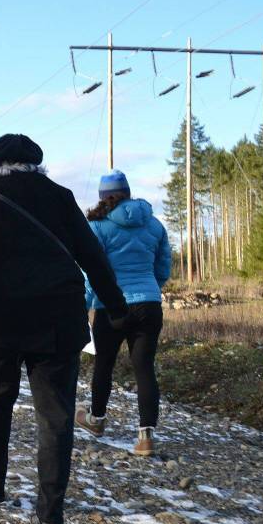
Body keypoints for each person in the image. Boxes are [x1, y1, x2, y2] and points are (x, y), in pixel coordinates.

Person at [0, 134, 128, 524]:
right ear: (35, 164)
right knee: (56, 415)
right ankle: (50, 513)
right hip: (58, 319)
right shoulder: (61, 197)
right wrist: (116, 306)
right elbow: (92, 256)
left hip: (1, 322)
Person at [77, 170, 171, 456]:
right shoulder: (154, 224)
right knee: (144, 367)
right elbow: (163, 267)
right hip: (149, 305)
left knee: (104, 363)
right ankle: (146, 437)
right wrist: (149, 290)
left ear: (103, 197)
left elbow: (91, 272)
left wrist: (85, 304)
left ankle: (96, 420)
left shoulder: (98, 226)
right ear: (128, 194)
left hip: (110, 305)